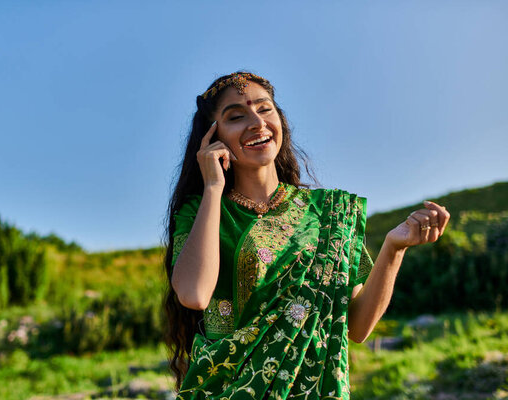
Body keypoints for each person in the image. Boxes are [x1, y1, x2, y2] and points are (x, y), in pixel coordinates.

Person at [163, 71, 450, 400]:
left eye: (265, 109)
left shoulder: (328, 215)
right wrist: (213, 187)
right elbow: (194, 295)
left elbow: (357, 328)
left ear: (280, 120)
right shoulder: (202, 212)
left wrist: (394, 248)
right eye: (236, 117)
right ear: (213, 138)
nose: (256, 123)